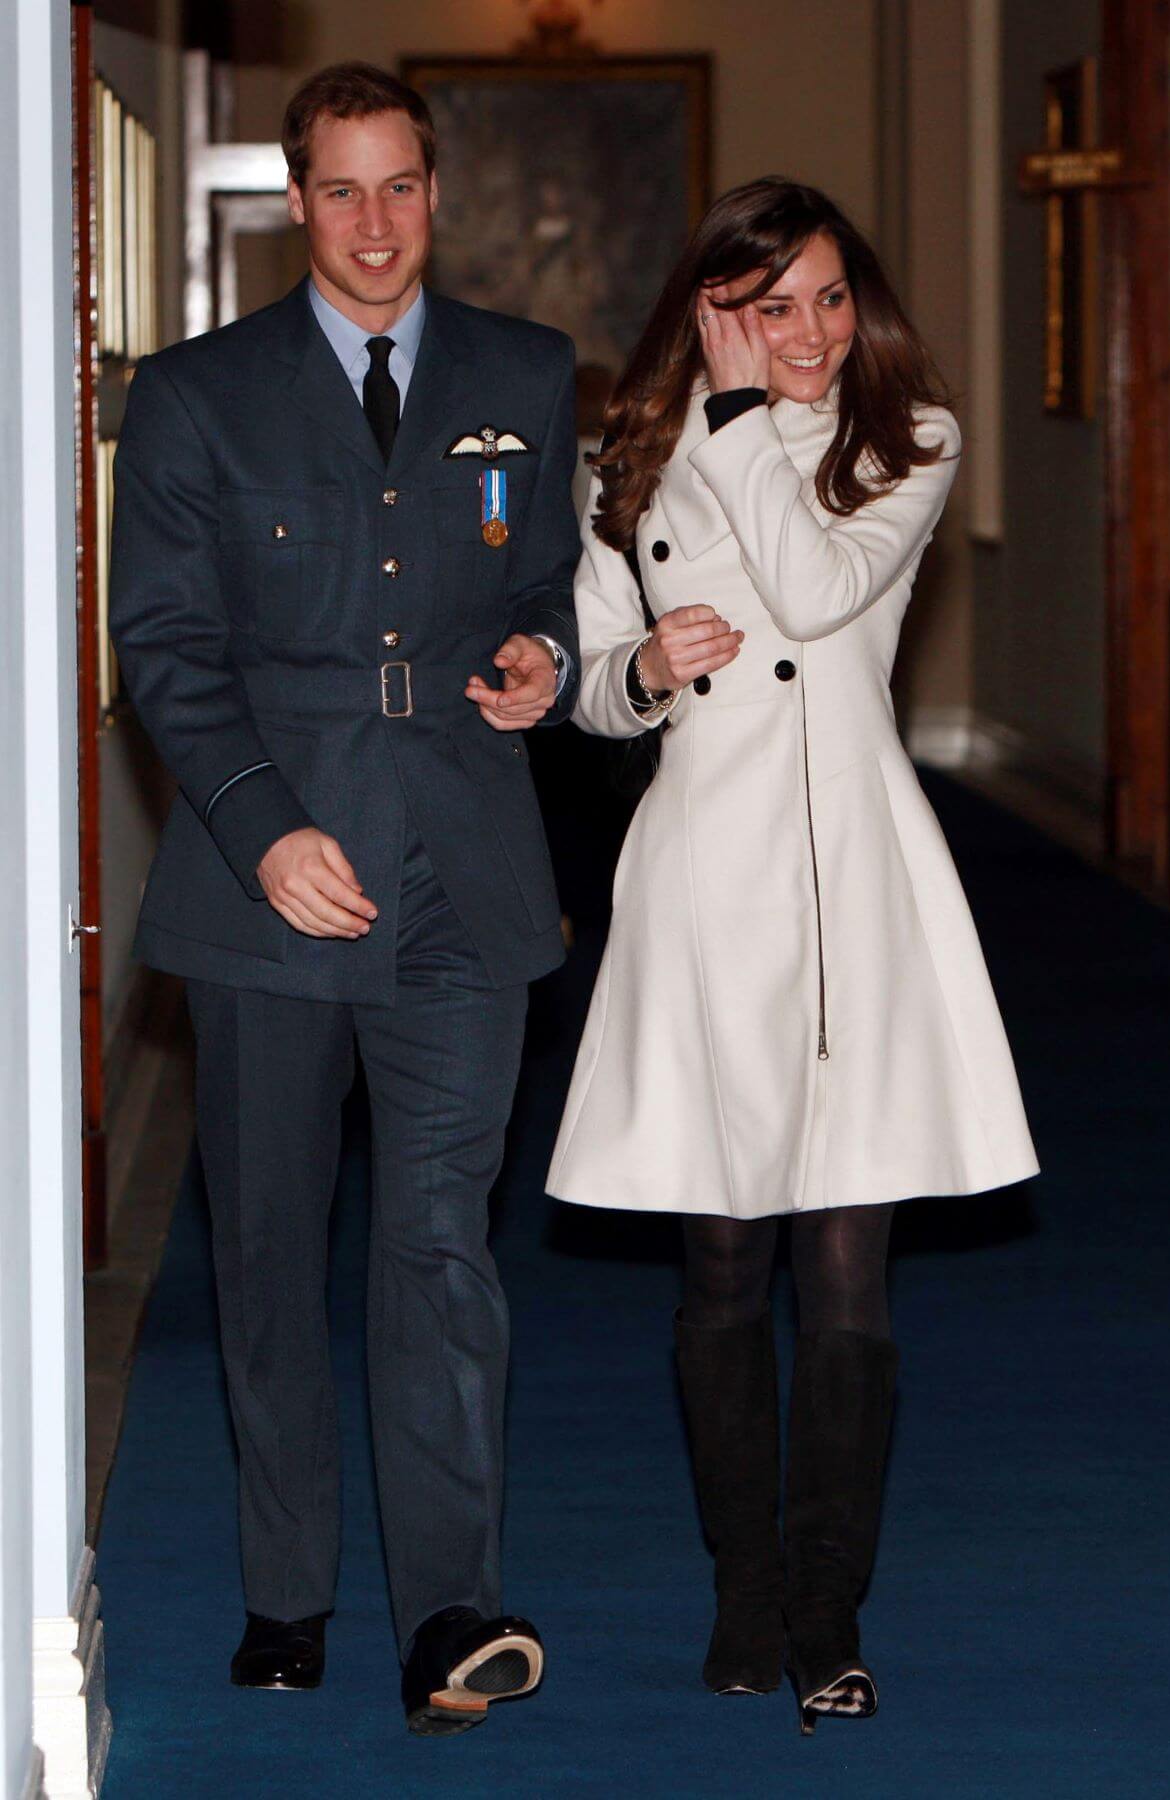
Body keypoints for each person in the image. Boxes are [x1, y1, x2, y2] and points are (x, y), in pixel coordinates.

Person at [109, 63, 581, 1738]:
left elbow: (542, 581)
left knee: (441, 1245)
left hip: (465, 867)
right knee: (268, 1249)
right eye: (343, 191)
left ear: (432, 192)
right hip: (271, 887)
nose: (376, 226)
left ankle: (452, 1608)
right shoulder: (194, 396)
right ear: (294, 202)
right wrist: (258, 827)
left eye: (403, 189)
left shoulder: (526, 374)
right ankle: (287, 1586)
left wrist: (546, 656)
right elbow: (162, 648)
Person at [546, 178, 1038, 1733]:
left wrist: (744, 410)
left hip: (852, 885)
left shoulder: (912, 444)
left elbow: (819, 596)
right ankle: (742, 1595)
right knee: (717, 1260)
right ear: (712, 309)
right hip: (704, 873)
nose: (812, 331)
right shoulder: (626, 456)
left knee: (845, 1273)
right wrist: (636, 664)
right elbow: (591, 687)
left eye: (831, 297)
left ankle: (829, 1614)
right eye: (773, 306)